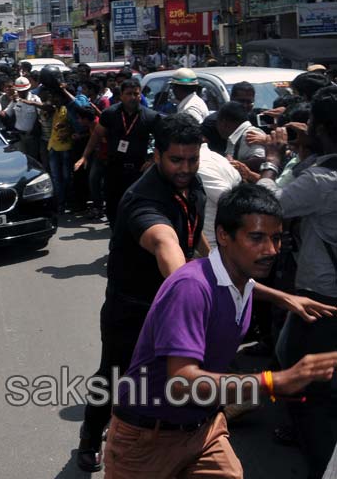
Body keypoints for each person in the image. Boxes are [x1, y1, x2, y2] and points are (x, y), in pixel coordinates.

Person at [103, 184, 337, 478]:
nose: (271, 250)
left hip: (205, 428)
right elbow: (181, 382)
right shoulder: (191, 288)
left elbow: (247, 288)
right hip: (146, 437)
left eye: (277, 238)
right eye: (256, 238)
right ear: (223, 235)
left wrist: (285, 297)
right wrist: (273, 381)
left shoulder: (240, 280)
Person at [78, 114, 208, 472]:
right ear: (156, 156)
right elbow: (167, 243)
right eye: (176, 160)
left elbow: (191, 237)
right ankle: (90, 437)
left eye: (193, 160)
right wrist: (193, 293)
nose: (185, 168)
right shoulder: (142, 201)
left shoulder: (191, 186)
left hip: (170, 303)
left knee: (171, 378)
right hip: (132, 309)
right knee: (114, 376)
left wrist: (217, 271)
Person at [257, 86, 337, 478]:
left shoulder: (323, 180)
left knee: (314, 393)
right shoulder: (320, 170)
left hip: (323, 300)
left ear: (317, 127)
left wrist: (272, 161)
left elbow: (265, 207)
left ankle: (319, 463)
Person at [75, 79, 160, 227]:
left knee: (135, 208)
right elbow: (96, 135)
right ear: (121, 95)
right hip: (114, 169)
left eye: (136, 94)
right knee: (114, 207)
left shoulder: (150, 116)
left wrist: (152, 160)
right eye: (129, 94)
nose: (133, 97)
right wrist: (84, 156)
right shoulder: (110, 113)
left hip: (138, 170)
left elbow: (162, 140)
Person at [217, 101, 266, 171]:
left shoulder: (250, 134)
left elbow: (261, 161)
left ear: (223, 123)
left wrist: (232, 165)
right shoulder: (235, 136)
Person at [1, 76, 41, 156]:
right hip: (19, 136)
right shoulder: (15, 100)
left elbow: (41, 117)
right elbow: (6, 113)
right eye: (19, 91)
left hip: (32, 137)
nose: (21, 93)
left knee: (33, 159)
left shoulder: (35, 100)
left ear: (28, 89)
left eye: (23, 91)